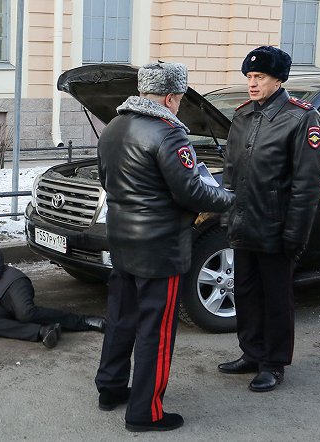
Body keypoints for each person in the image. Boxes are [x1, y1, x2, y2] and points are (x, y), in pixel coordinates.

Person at [95, 62, 235, 432]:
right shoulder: (169, 134)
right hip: (160, 248)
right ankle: (146, 412)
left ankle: (109, 388)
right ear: (172, 97)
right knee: (156, 332)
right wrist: (229, 198)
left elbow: (107, 179)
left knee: (121, 319)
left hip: (122, 241)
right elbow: (192, 191)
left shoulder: (114, 127)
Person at [218, 46, 320, 392]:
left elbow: (307, 182)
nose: (252, 83)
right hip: (244, 223)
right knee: (246, 293)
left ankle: (273, 363)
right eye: (249, 77)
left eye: (259, 77)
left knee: (276, 298)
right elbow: (231, 173)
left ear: (278, 79)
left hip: (276, 226)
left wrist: (296, 233)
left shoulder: (301, 117)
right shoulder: (243, 114)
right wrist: (226, 214)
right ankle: (251, 352)